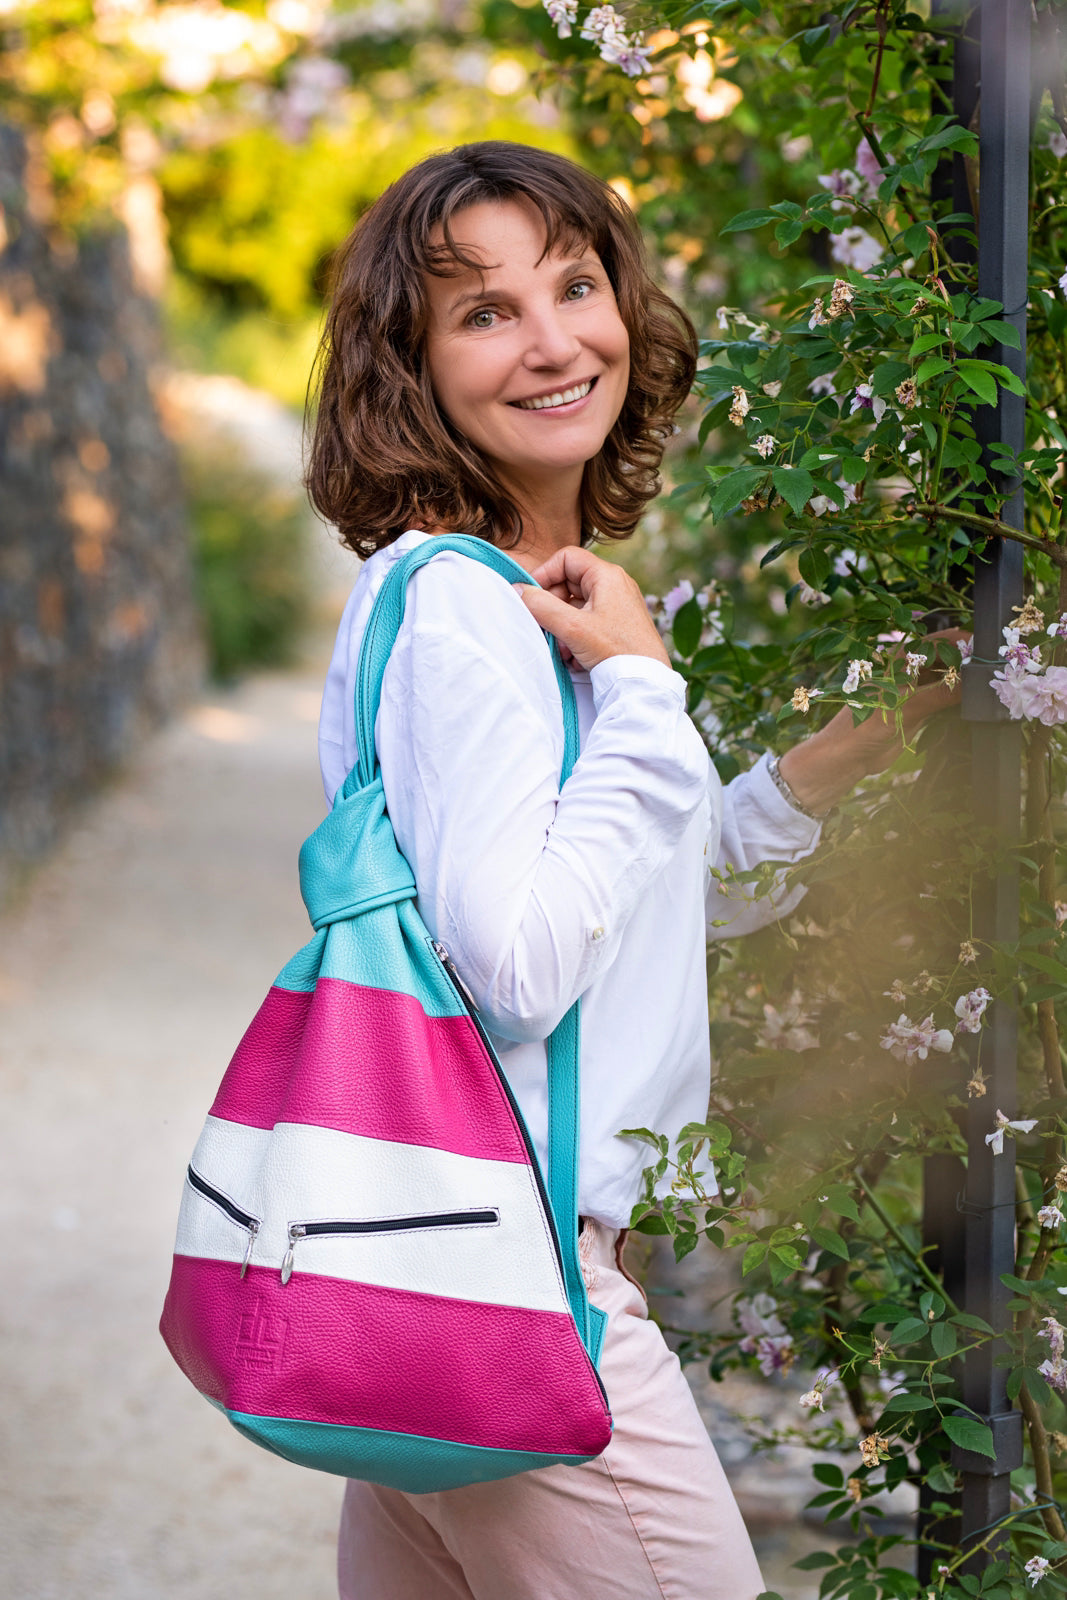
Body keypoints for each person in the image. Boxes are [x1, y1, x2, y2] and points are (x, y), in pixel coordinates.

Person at [306, 141, 958, 1600]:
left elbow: (626, 915)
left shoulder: (496, 598)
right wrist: (646, 695)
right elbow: (521, 967)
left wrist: (825, 765)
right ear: (410, 365)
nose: (554, 344)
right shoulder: (471, 617)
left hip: (432, 1258)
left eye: (576, 287)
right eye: (485, 312)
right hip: (523, 1282)